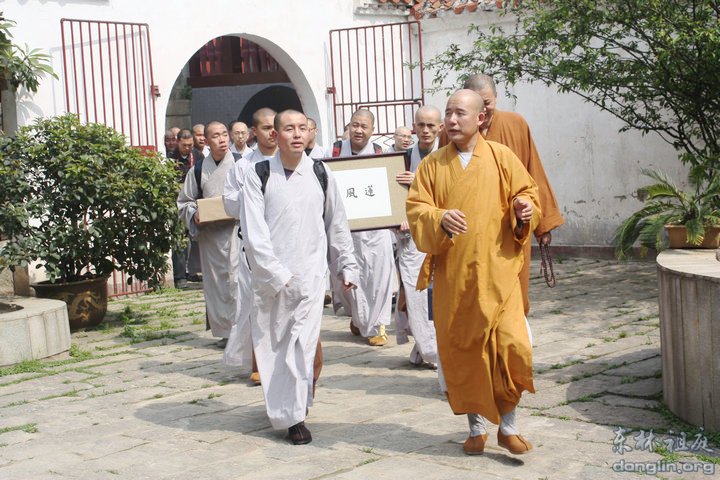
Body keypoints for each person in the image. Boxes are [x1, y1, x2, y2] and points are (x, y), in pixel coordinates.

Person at [407, 89, 541, 456]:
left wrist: (524, 208)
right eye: (448, 113)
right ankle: (476, 427)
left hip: (499, 273)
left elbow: (528, 192)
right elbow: (417, 210)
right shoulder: (432, 166)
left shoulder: (501, 157)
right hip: (456, 276)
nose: (451, 121)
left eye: (459, 114)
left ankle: (509, 427)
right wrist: (439, 218)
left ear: (480, 118)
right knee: (465, 353)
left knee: (510, 347)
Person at [241, 109, 358, 445]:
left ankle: (296, 417)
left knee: (303, 350)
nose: (296, 134)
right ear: (275, 135)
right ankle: (284, 407)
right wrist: (277, 274)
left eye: (301, 129)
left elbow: (336, 223)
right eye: (288, 128)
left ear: (310, 134)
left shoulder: (320, 173)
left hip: (309, 278)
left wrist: (346, 265)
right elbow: (254, 232)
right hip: (272, 282)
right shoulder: (258, 173)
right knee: (274, 349)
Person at [454, 74, 565, 317]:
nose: (484, 111)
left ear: (496, 98)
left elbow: (533, 170)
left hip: (511, 228)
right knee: (472, 300)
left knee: (513, 297)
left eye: (488, 103)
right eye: (477, 106)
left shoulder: (516, 124)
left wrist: (542, 225)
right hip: (469, 232)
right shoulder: (453, 131)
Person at [328, 109, 395, 347]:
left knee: (378, 276)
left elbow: (391, 190)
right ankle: (358, 317)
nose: (358, 130)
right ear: (349, 126)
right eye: (355, 125)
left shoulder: (381, 154)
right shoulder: (335, 152)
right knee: (346, 276)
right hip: (345, 229)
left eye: (364, 126)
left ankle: (379, 325)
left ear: (372, 130)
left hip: (376, 229)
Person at [222, 108, 277, 386]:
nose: (272, 132)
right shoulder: (243, 167)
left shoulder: (289, 162)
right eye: (266, 127)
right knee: (254, 306)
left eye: (274, 126)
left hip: (283, 245)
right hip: (251, 248)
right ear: (255, 132)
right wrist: (252, 192)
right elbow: (229, 203)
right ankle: (258, 361)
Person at [178, 121, 240, 347]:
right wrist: (194, 213)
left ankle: (243, 330)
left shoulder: (242, 164)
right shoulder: (197, 170)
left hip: (238, 231)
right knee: (217, 284)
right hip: (211, 236)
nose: (222, 139)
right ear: (205, 140)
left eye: (225, 134)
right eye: (216, 136)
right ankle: (225, 331)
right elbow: (184, 202)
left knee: (238, 281)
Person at [394, 106, 443, 368]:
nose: (425, 131)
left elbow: (451, 194)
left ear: (440, 128)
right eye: (421, 125)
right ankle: (428, 349)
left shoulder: (448, 157)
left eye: (431, 126)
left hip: (440, 234)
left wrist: (420, 182)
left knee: (436, 294)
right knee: (415, 292)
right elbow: (394, 197)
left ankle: (428, 349)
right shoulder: (403, 157)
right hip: (411, 235)